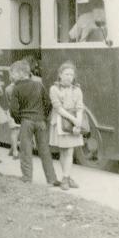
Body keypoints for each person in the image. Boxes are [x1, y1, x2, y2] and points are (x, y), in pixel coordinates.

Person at [9, 60, 60, 186]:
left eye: (13, 73)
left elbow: (13, 110)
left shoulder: (16, 88)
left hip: (26, 122)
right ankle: (52, 179)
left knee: (26, 150)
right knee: (44, 150)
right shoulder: (38, 85)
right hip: (40, 121)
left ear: (21, 73)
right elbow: (48, 103)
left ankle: (27, 178)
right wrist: (43, 117)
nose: (11, 76)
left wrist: (19, 119)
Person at [49, 61, 84, 190]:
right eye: (66, 74)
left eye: (71, 74)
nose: (69, 77)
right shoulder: (54, 89)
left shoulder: (77, 90)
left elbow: (80, 106)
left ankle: (65, 178)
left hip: (74, 121)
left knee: (69, 150)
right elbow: (58, 107)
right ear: (60, 75)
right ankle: (67, 177)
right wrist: (74, 120)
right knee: (63, 151)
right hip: (60, 121)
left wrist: (78, 122)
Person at [5, 70, 20, 160]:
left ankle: (13, 150)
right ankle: (15, 151)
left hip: (11, 111)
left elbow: (7, 101)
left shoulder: (7, 89)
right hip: (19, 112)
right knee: (17, 131)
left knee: (14, 131)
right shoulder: (20, 88)